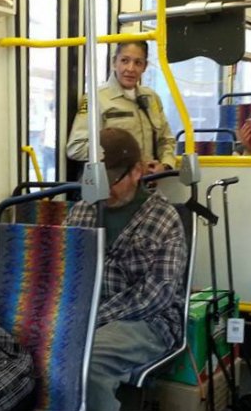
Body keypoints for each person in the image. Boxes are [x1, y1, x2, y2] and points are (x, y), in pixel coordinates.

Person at [64, 128, 186, 410]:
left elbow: (156, 295)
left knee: (89, 359)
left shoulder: (162, 218)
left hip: (148, 320)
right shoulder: (82, 211)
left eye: (111, 181)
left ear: (137, 172)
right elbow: (66, 269)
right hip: (88, 313)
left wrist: (92, 319)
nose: (103, 190)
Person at [67, 42, 177, 174]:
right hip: (114, 183)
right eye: (125, 61)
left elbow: (166, 140)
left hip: (149, 181)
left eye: (138, 63)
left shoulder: (151, 98)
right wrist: (121, 158)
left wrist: (165, 165)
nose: (130, 68)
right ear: (114, 62)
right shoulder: (96, 98)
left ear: (144, 67)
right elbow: (76, 148)